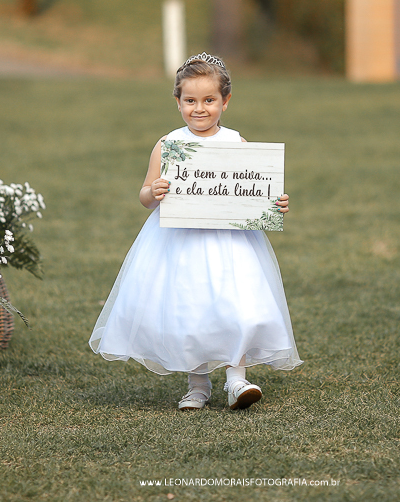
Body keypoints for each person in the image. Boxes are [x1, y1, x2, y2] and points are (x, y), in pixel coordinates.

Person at [90, 53, 302, 411]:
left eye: (209, 100)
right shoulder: (168, 144)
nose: (199, 109)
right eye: (190, 101)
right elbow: (144, 195)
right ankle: (197, 385)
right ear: (177, 101)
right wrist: (153, 192)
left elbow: (255, 190)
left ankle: (237, 380)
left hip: (230, 243)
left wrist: (274, 204)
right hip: (179, 243)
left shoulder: (236, 143)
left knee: (238, 306)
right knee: (188, 309)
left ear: (225, 101)